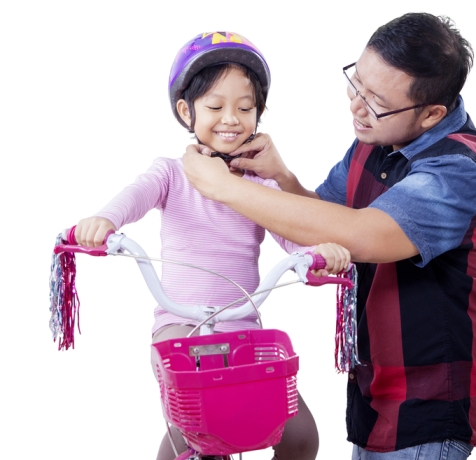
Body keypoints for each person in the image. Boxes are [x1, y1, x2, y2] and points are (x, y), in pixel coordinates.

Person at [182, 14, 476, 460]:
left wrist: (223, 188)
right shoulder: (380, 137)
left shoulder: (459, 167)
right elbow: (327, 217)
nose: (357, 107)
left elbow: (363, 235)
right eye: (358, 85)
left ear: (431, 114)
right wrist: (282, 178)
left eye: (377, 101)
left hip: (428, 406)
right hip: (374, 396)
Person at [72, 31, 350, 460]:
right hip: (181, 330)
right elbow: (137, 194)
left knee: (299, 436)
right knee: (197, 427)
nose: (231, 118)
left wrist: (321, 253)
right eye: (216, 106)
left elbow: (293, 237)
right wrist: (105, 220)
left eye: (245, 107)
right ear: (187, 111)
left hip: (243, 330)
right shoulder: (171, 173)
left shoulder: (258, 188)